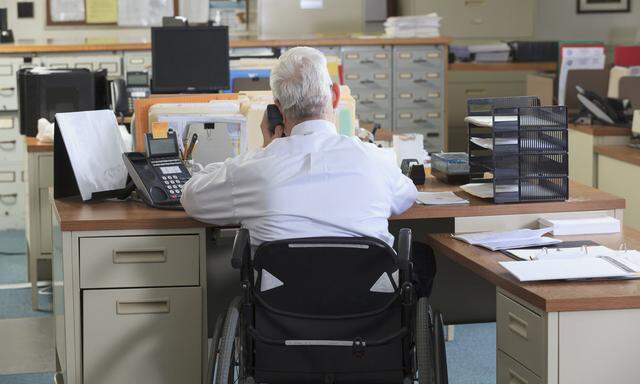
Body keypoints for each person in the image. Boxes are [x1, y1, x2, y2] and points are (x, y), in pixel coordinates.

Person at [180, 46, 435, 297]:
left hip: (280, 318)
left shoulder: (254, 169)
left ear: (278, 110)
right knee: (421, 256)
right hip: (369, 317)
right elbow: (407, 195)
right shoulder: (375, 160)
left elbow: (192, 198)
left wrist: (265, 149)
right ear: (334, 96)